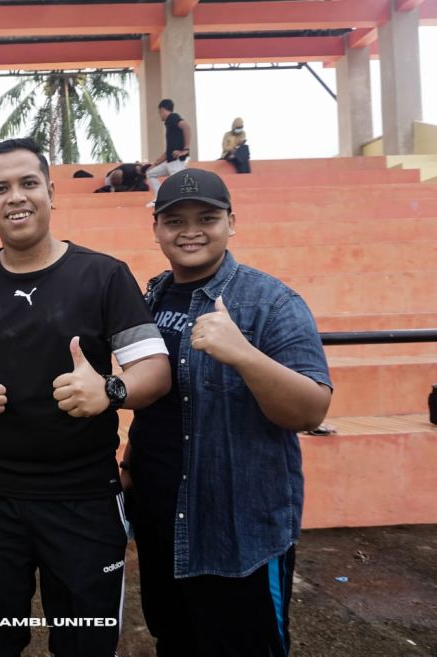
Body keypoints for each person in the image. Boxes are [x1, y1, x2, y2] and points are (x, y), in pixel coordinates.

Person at [0, 138, 171, 657]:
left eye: (28, 183)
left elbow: (155, 371)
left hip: (84, 496)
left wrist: (110, 391)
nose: (15, 197)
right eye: (0, 188)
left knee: (85, 646)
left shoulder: (104, 275)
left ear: (50, 191)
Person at [125, 168, 332, 657]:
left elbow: (311, 409)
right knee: (173, 641)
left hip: (236, 531)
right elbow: (160, 398)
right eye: (175, 220)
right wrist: (131, 462)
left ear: (231, 223)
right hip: (160, 521)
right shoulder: (151, 296)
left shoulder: (271, 301)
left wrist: (245, 354)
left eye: (207, 218)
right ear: (156, 228)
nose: (190, 230)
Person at [146, 99, 192, 207]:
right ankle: (159, 199)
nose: (160, 116)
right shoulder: (169, 125)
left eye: (159, 113)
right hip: (170, 161)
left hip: (176, 162)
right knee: (150, 173)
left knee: (180, 188)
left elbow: (187, 126)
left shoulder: (172, 118)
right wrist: (154, 165)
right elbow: (168, 152)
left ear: (162, 110)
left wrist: (186, 149)